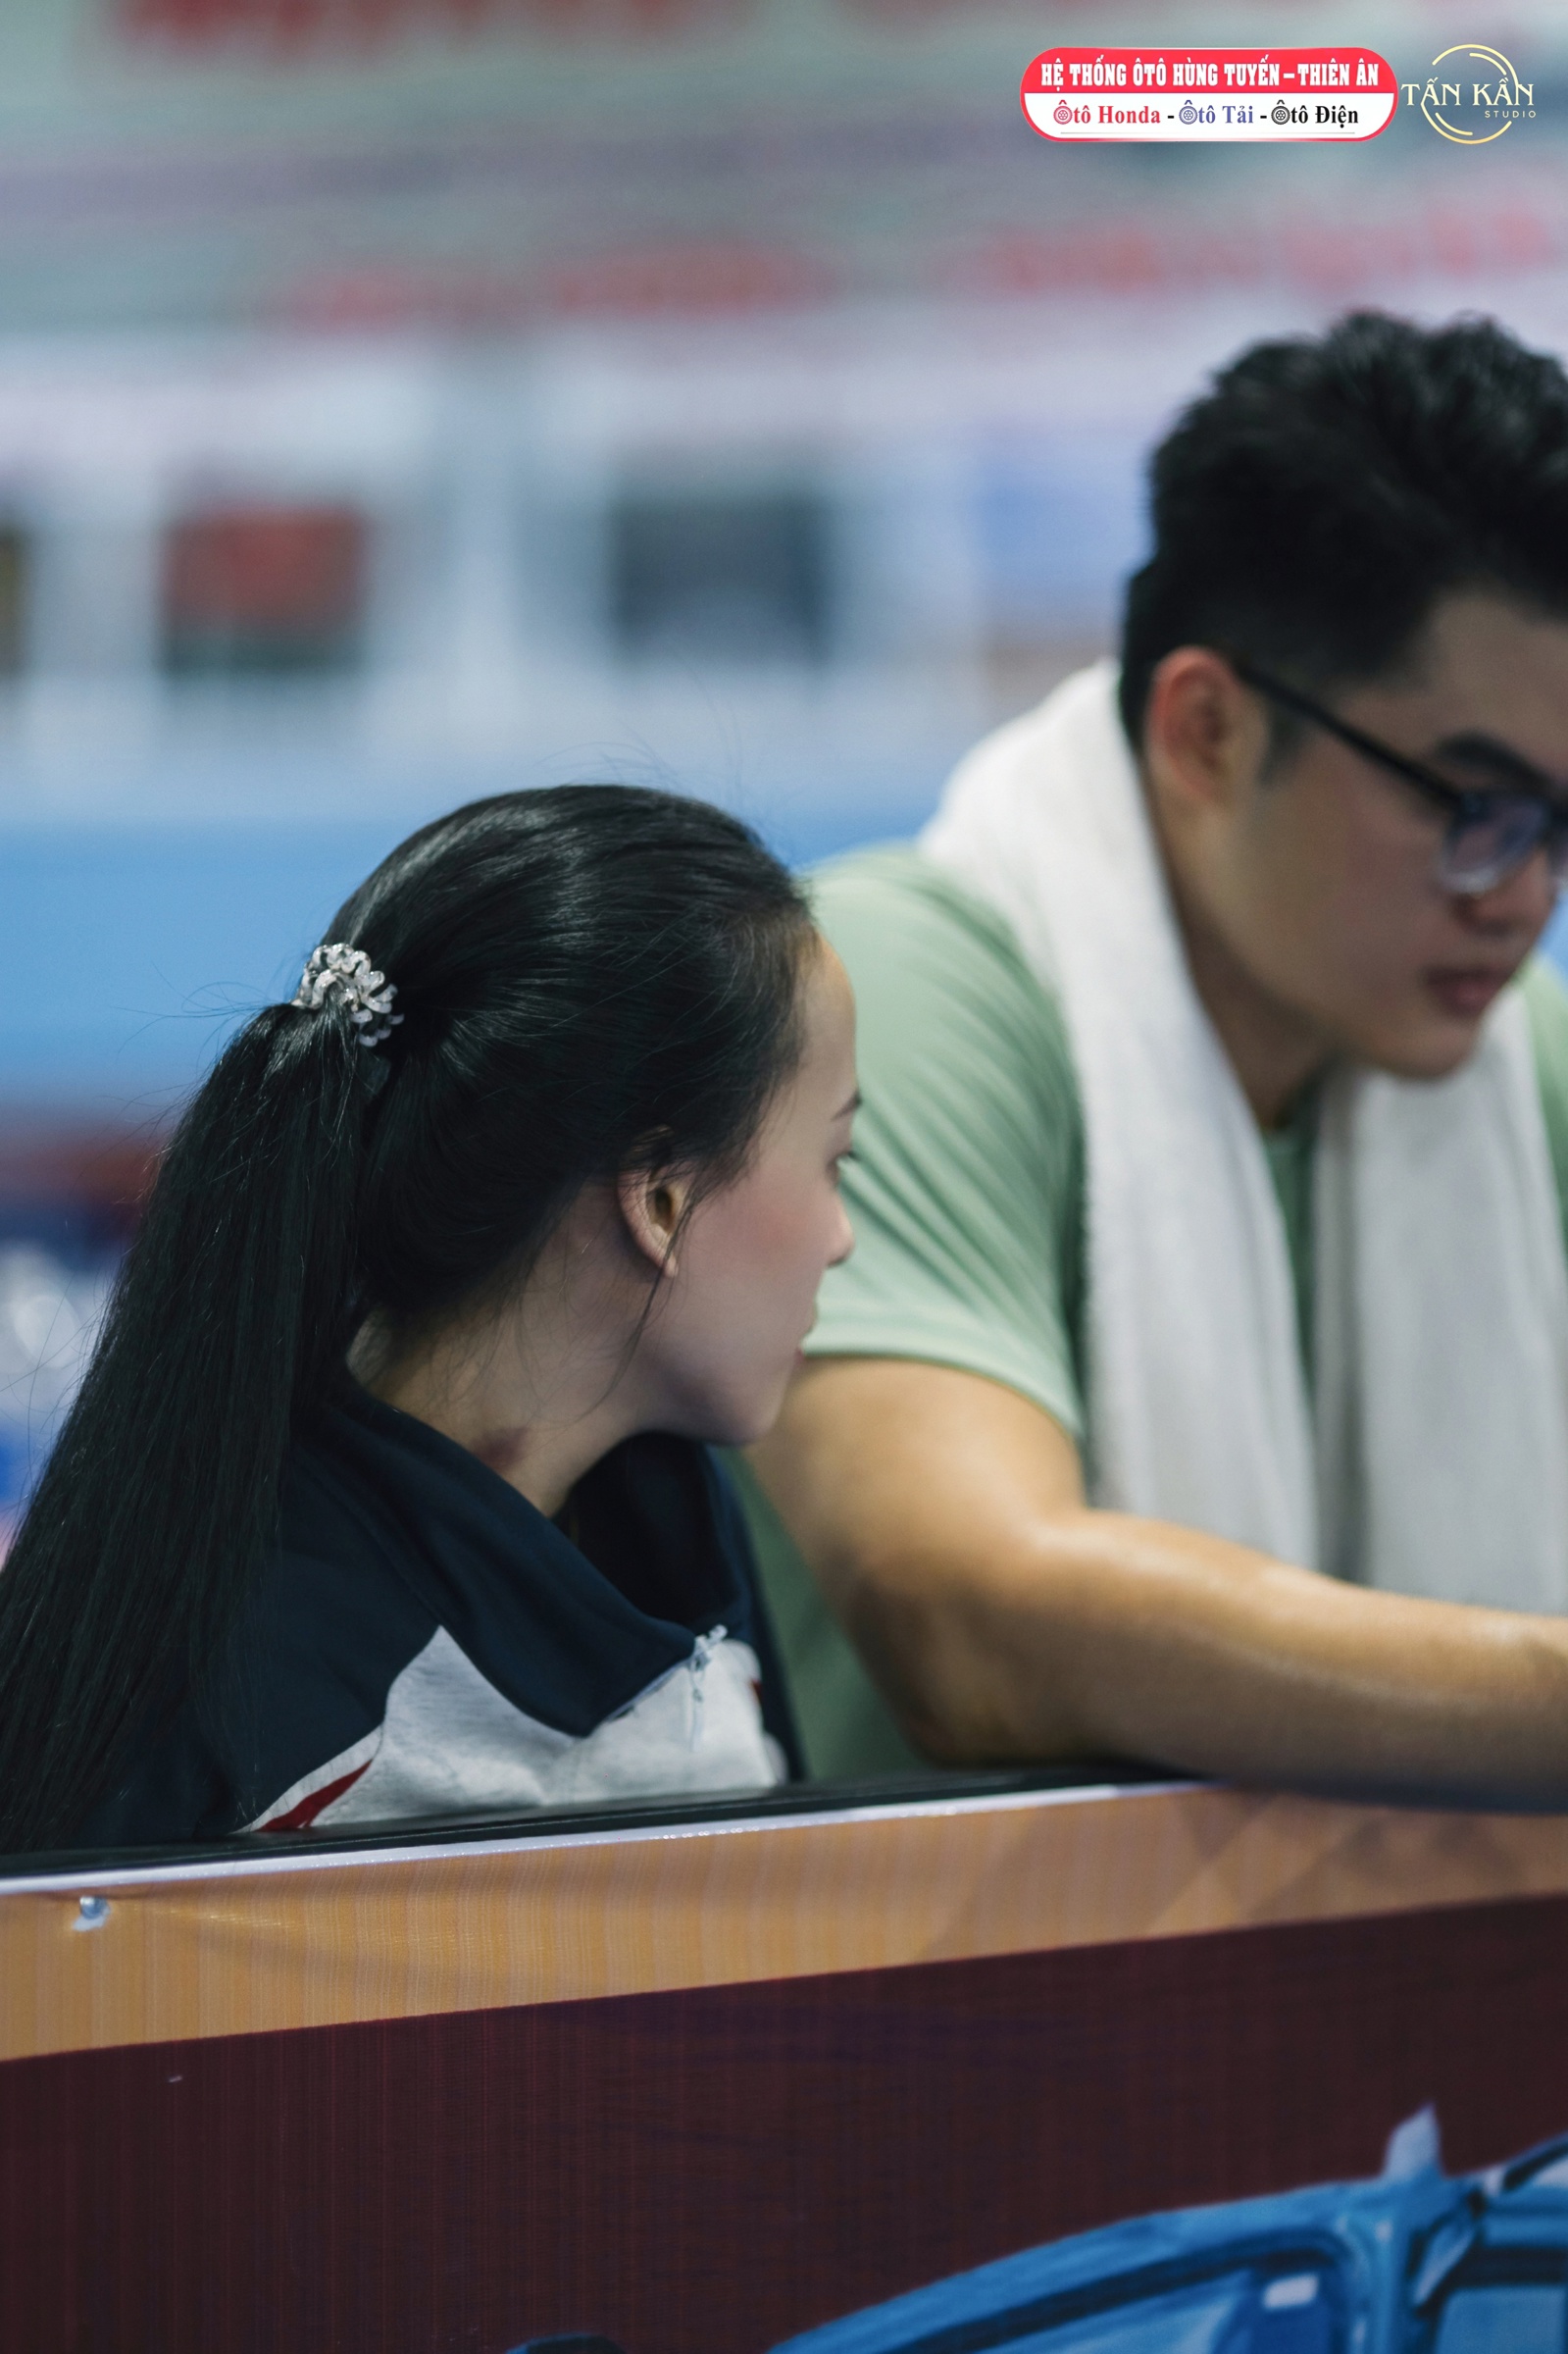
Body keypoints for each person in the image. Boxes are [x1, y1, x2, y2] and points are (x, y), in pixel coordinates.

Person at [746, 310, 1568, 1802]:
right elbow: (966, 1620)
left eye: (1559, 828)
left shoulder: (1523, 1061)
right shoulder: (874, 1004)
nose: (1521, 896)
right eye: (1472, 808)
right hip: (888, 1960)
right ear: (1206, 733)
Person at [0, 786, 857, 1852]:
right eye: (834, 1159)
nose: (841, 1237)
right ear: (661, 1200)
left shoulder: (670, 1508)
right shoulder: (245, 1712)